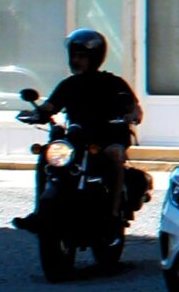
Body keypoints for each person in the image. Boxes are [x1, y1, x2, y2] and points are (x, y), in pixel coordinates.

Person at [12, 29, 140, 234]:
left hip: (107, 136)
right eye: (74, 55)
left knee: (114, 154)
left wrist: (131, 114)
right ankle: (39, 212)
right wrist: (35, 113)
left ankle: (113, 215)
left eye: (82, 56)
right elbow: (50, 106)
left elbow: (134, 107)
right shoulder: (68, 85)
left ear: (95, 58)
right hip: (77, 138)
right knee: (47, 155)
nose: (76, 60)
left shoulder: (113, 83)